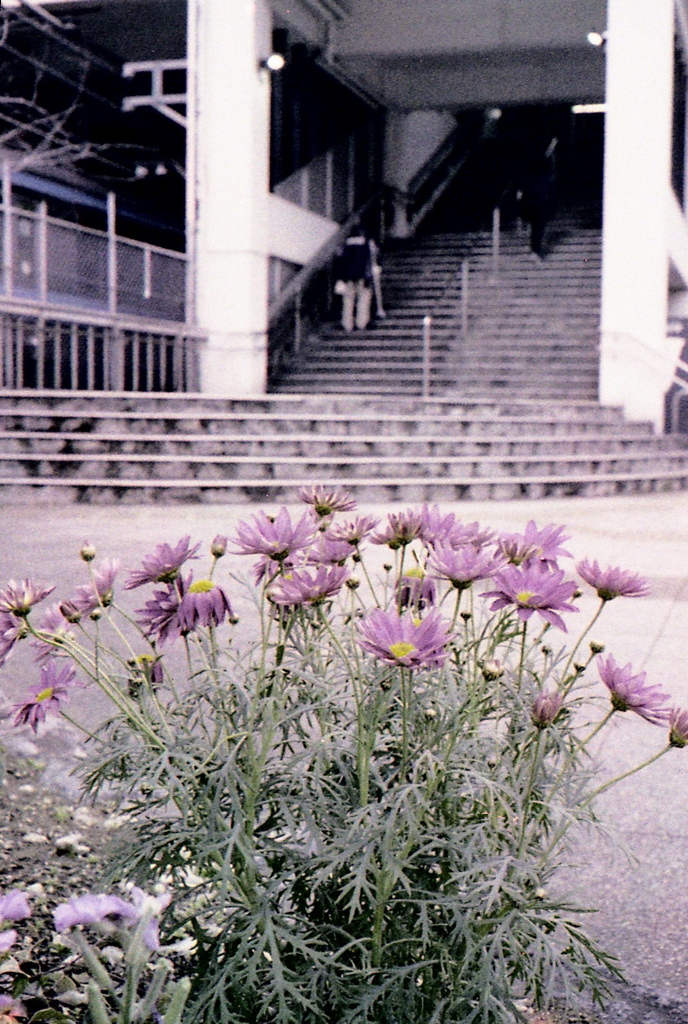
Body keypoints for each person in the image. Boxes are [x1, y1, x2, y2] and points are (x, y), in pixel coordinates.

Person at [521, 137, 557, 261]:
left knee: (536, 225)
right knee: (537, 225)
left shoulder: (531, 168)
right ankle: (534, 249)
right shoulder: (541, 168)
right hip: (537, 199)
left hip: (534, 198)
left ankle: (534, 247)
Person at [335, 226, 376, 331]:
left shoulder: (345, 245)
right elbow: (372, 259)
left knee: (348, 301)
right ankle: (362, 323)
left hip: (347, 276)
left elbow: (340, 261)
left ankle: (347, 324)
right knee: (363, 299)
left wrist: (341, 277)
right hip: (362, 276)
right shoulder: (367, 243)